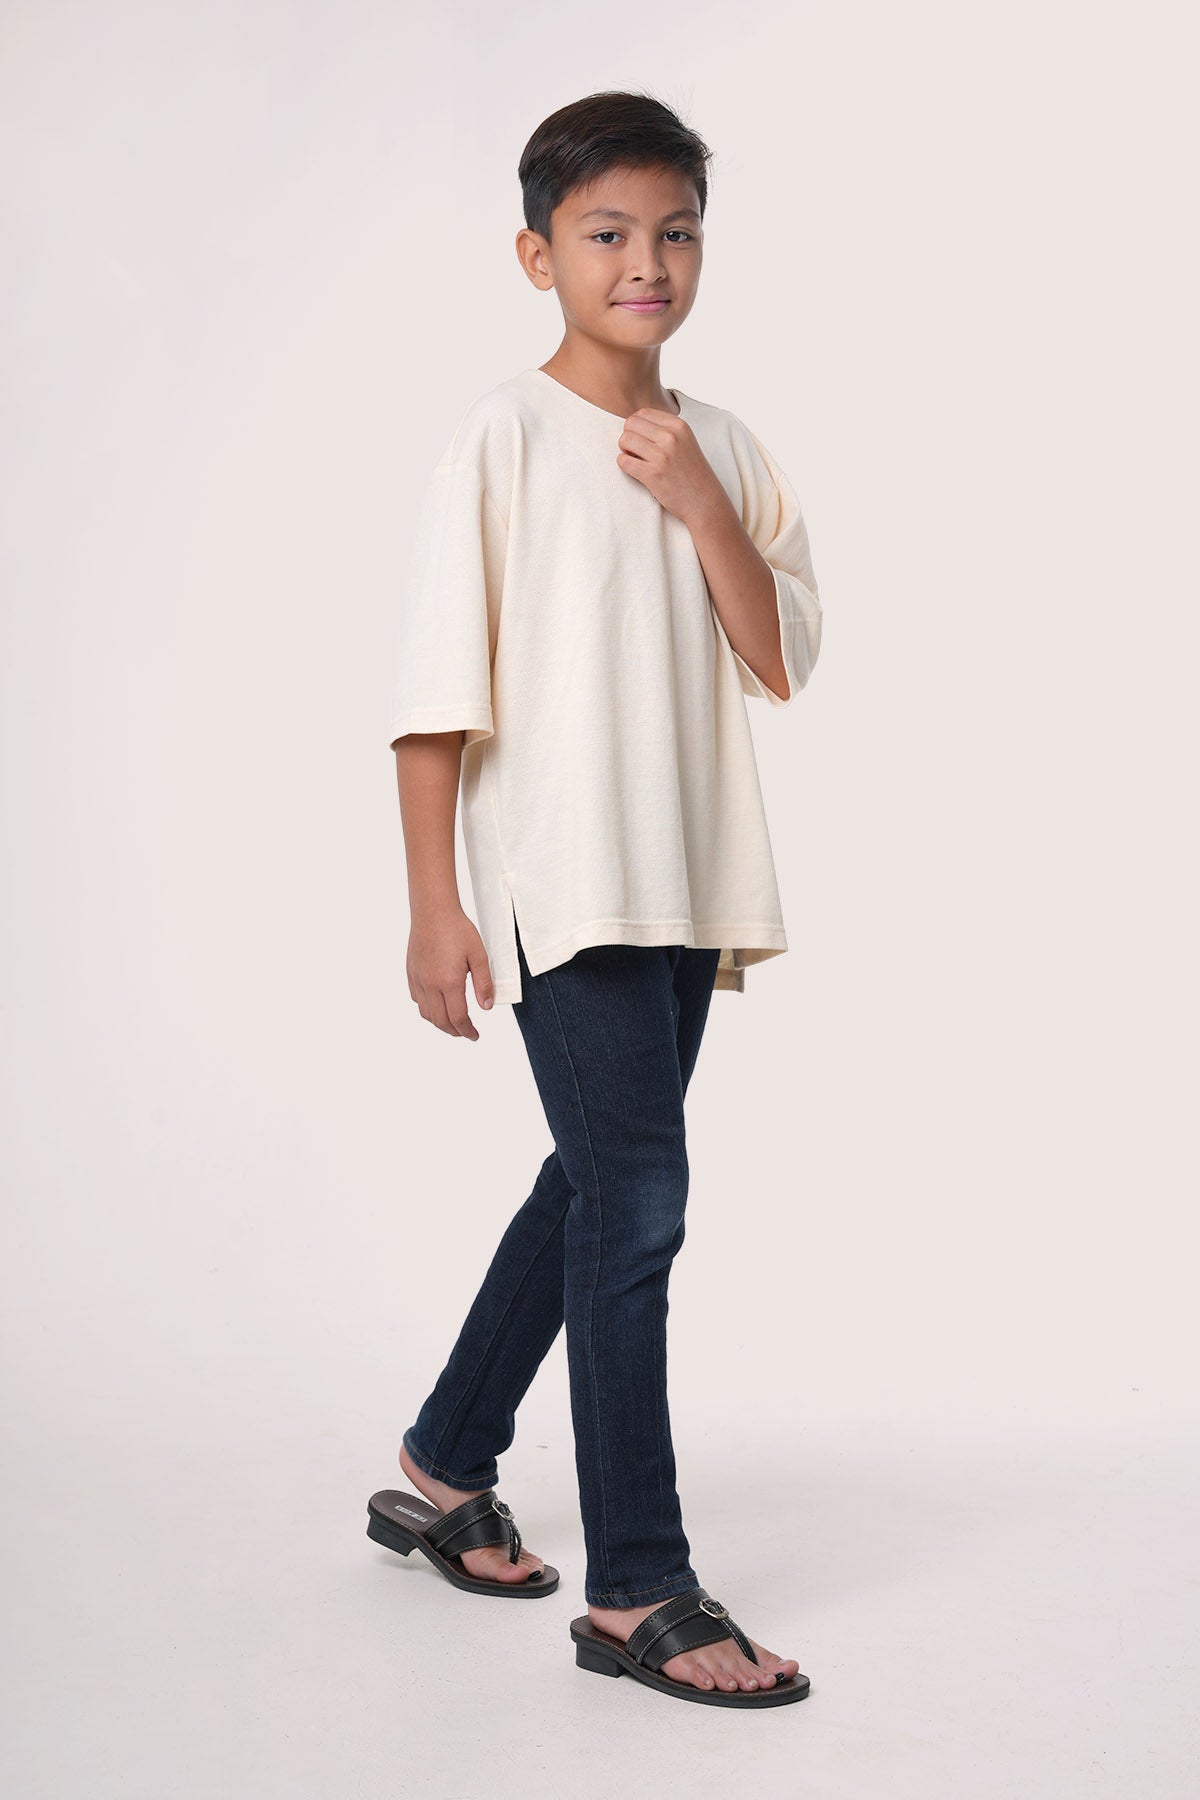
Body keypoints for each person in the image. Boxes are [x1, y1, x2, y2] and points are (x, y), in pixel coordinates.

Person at [370, 90, 823, 1709]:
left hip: (687, 882)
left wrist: (698, 499)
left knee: (593, 1181)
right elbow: (436, 698)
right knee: (638, 1205)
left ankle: (442, 1465)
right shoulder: (502, 436)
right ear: (538, 254)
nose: (648, 262)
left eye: (676, 232)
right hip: (565, 886)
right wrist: (436, 904)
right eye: (609, 232)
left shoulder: (726, 447)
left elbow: (778, 655)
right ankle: (640, 1584)